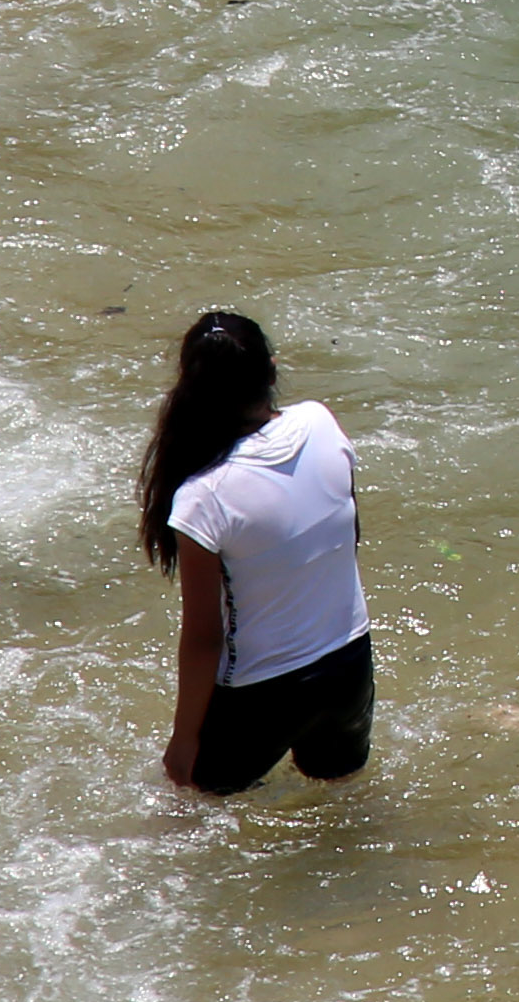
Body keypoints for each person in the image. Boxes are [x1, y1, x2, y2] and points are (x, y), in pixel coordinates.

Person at [137, 310, 374, 795]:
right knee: (341, 810)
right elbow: (346, 540)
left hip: (263, 698)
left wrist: (183, 742)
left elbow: (206, 639)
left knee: (190, 813)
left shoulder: (204, 496)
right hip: (349, 666)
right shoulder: (321, 423)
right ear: (272, 369)